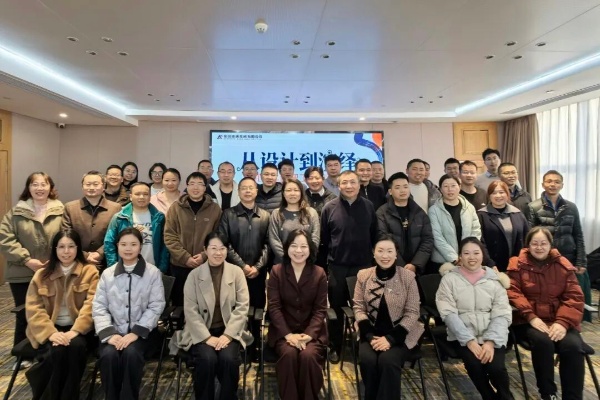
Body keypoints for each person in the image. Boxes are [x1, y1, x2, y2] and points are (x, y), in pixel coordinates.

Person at [169, 232, 253, 400]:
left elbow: (242, 307)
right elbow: (190, 311)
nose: (218, 253)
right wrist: (207, 337)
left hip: (229, 331)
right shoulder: (194, 275)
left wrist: (228, 335)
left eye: (222, 248)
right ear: (205, 250)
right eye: (213, 248)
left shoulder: (236, 272)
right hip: (201, 332)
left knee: (228, 359)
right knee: (207, 360)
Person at [507, 227, 585, 400]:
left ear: (550, 245)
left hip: (559, 320)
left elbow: (574, 297)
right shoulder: (517, 264)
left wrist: (562, 322)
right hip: (528, 321)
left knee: (573, 346)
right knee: (543, 342)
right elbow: (513, 293)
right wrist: (531, 316)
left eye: (543, 243)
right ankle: (548, 393)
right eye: (535, 243)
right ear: (528, 245)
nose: (539, 247)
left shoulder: (562, 264)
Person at [24, 229, 99, 400]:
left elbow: (92, 305)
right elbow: (34, 308)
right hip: (49, 328)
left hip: (78, 329)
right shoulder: (42, 275)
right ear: (55, 249)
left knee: (75, 348)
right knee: (56, 352)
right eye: (61, 247)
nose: (66, 251)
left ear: (78, 248)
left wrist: (75, 331)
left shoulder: (90, 272)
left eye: (71, 246)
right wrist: (51, 333)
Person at [0, 172, 64, 370]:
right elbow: (5, 239)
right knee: (25, 313)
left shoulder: (61, 210)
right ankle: (24, 355)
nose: (39, 188)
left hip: (51, 271)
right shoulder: (16, 212)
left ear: (50, 187)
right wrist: (27, 260)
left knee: (48, 312)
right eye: (34, 184)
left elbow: (66, 237)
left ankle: (45, 353)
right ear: (28, 188)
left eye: (43, 184)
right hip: (22, 272)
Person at [436, 237, 513, 400]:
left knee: (496, 368)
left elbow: (502, 313)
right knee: (474, 365)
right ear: (460, 256)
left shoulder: (495, 280)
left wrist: (490, 341)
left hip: (492, 334)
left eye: (476, 253)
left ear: (483, 255)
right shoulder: (449, 279)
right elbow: (448, 314)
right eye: (466, 253)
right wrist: (469, 341)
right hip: (463, 335)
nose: (472, 257)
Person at [93, 227, 166, 400]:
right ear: (117, 246)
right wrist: (110, 334)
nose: (128, 248)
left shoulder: (153, 273)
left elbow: (156, 306)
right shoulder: (107, 274)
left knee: (131, 354)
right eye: (123, 244)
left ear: (140, 247)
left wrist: (135, 333)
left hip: (142, 335)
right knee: (108, 355)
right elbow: (99, 306)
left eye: (133, 244)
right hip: (113, 333)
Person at [353, 236, 424, 400]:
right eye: (380, 251)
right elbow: (358, 307)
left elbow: (413, 312)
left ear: (396, 254)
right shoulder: (363, 275)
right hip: (371, 333)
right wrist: (369, 336)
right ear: (373, 253)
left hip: (401, 334)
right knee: (368, 361)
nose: (385, 255)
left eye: (389, 251)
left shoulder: (408, 277)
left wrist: (391, 339)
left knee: (388, 361)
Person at [320, 170, 378, 362]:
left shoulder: (369, 206)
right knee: (336, 310)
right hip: (337, 267)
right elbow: (324, 240)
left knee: (364, 308)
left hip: (363, 268)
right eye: (344, 182)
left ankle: (363, 346)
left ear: (359, 185)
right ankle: (335, 346)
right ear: (338, 186)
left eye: (353, 182)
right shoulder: (329, 208)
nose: (349, 186)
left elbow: (374, 235)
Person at [268, 229, 328, 400]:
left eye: (303, 246)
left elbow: (320, 309)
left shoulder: (319, 273)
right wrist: (288, 335)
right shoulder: (277, 271)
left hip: (312, 333)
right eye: (294, 246)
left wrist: (309, 335)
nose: (299, 251)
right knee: (289, 355)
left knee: (308, 356)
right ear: (287, 248)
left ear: (310, 249)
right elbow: (274, 307)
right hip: (284, 333)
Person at [526, 170, 591, 321]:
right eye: (549, 181)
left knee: (569, 291)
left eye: (556, 182)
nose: (553, 184)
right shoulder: (533, 207)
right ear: (543, 184)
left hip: (568, 256)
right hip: (545, 258)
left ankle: (569, 320)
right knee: (550, 291)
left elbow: (578, 234)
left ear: (562, 185)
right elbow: (529, 236)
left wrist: (581, 260)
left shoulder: (571, 207)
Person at [218, 177, 270, 358]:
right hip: (234, 273)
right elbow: (224, 243)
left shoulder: (265, 216)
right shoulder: (228, 214)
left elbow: (268, 244)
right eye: (244, 188)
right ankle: (235, 344)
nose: (247, 191)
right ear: (238, 192)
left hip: (258, 273)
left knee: (256, 308)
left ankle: (255, 345)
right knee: (234, 308)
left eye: (251, 188)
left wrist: (257, 266)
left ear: (256, 191)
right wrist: (242, 266)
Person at [164, 172, 222, 306]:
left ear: (205, 187)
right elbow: (169, 236)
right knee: (180, 304)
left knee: (205, 303)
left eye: (200, 184)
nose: (196, 187)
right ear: (187, 186)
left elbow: (218, 236)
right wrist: (185, 258)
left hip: (206, 265)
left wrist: (204, 255)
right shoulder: (175, 208)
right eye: (192, 184)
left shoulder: (215, 209)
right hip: (179, 265)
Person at [62, 171, 121, 270]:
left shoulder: (115, 208)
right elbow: (66, 235)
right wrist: (85, 255)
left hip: (106, 262)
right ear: (82, 187)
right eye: (88, 184)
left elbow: (118, 235)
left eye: (96, 184)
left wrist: (100, 253)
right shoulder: (70, 208)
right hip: (76, 261)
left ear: (103, 186)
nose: (92, 187)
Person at [104, 182, 169, 273]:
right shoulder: (120, 217)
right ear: (130, 197)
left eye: (145, 194)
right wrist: (114, 266)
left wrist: (162, 268)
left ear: (150, 196)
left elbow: (165, 244)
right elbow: (109, 243)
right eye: (137, 194)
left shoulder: (159, 217)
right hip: (125, 268)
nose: (141, 197)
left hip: (153, 268)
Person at [376, 172, 433, 274]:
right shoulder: (382, 213)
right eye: (397, 187)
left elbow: (427, 240)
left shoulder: (419, 213)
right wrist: (401, 266)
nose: (402, 190)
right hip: (391, 267)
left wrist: (415, 264)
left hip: (417, 268)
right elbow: (382, 239)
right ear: (390, 191)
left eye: (405, 187)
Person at [428, 174, 481, 274]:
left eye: (453, 185)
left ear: (459, 187)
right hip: (442, 262)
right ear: (440, 189)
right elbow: (437, 237)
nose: (450, 189)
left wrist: (467, 254)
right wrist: (455, 258)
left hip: (468, 260)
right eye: (445, 186)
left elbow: (476, 231)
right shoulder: (434, 210)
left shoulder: (469, 207)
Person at [478, 181, 529, 272]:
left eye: (501, 192)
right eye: (494, 193)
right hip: (492, 266)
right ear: (489, 196)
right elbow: (480, 242)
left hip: (516, 264)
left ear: (507, 194)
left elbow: (526, 238)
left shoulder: (517, 213)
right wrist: (489, 263)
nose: (498, 196)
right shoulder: (481, 215)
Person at [269, 179, 320, 264]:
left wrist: (304, 258)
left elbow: (315, 238)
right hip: (283, 264)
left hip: (307, 263)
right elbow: (274, 240)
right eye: (288, 190)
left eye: (296, 190)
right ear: (283, 193)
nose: (292, 193)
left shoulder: (311, 213)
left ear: (301, 193)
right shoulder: (276, 214)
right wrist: (287, 260)